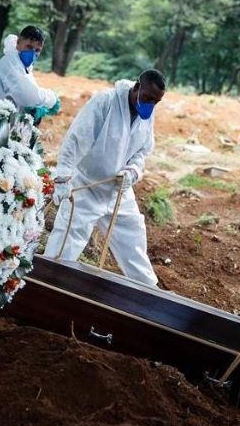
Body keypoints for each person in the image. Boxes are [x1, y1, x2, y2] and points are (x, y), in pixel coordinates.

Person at [43, 69, 166, 287]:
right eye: (148, 98)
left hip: (118, 191)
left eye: (156, 102)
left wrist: (132, 172)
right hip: (87, 186)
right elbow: (75, 140)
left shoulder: (147, 116)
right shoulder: (105, 102)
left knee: (133, 240)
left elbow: (142, 152)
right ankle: (47, 284)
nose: (150, 105)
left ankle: (150, 292)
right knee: (66, 242)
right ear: (137, 87)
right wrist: (62, 177)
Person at [0, 25, 60, 125]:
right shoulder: (11, 62)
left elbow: (25, 97)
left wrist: (36, 109)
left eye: (37, 50)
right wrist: (51, 99)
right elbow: (28, 96)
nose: (32, 53)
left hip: (0, 122)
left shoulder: (24, 68)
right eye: (29, 47)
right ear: (18, 42)